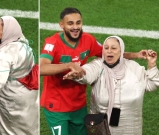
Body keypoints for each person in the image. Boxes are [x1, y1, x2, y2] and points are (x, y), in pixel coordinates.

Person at [40, 7, 146, 135]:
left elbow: (109, 53)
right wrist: (68, 65)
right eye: (70, 23)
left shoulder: (88, 40)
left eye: (78, 23)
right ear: (61, 25)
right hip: (56, 106)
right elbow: (41, 68)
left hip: (78, 105)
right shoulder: (52, 43)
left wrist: (137, 55)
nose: (75, 27)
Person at [63, 36, 158, 135]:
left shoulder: (134, 68)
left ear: (121, 51)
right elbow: (87, 72)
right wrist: (79, 74)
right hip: (102, 127)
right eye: (106, 48)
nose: (109, 51)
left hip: (131, 128)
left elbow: (151, 85)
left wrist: (152, 65)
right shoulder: (98, 66)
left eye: (113, 48)